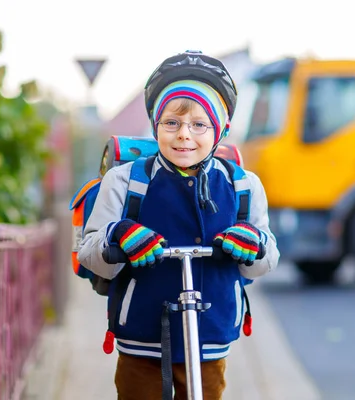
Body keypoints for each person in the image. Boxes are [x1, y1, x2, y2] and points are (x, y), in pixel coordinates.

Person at [78, 50, 279, 400]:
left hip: (210, 339)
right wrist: (118, 236)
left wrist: (255, 244)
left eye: (199, 124)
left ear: (220, 130)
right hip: (141, 338)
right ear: (156, 124)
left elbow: (263, 264)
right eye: (171, 123)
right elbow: (90, 253)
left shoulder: (243, 186)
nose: (184, 135)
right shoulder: (126, 181)